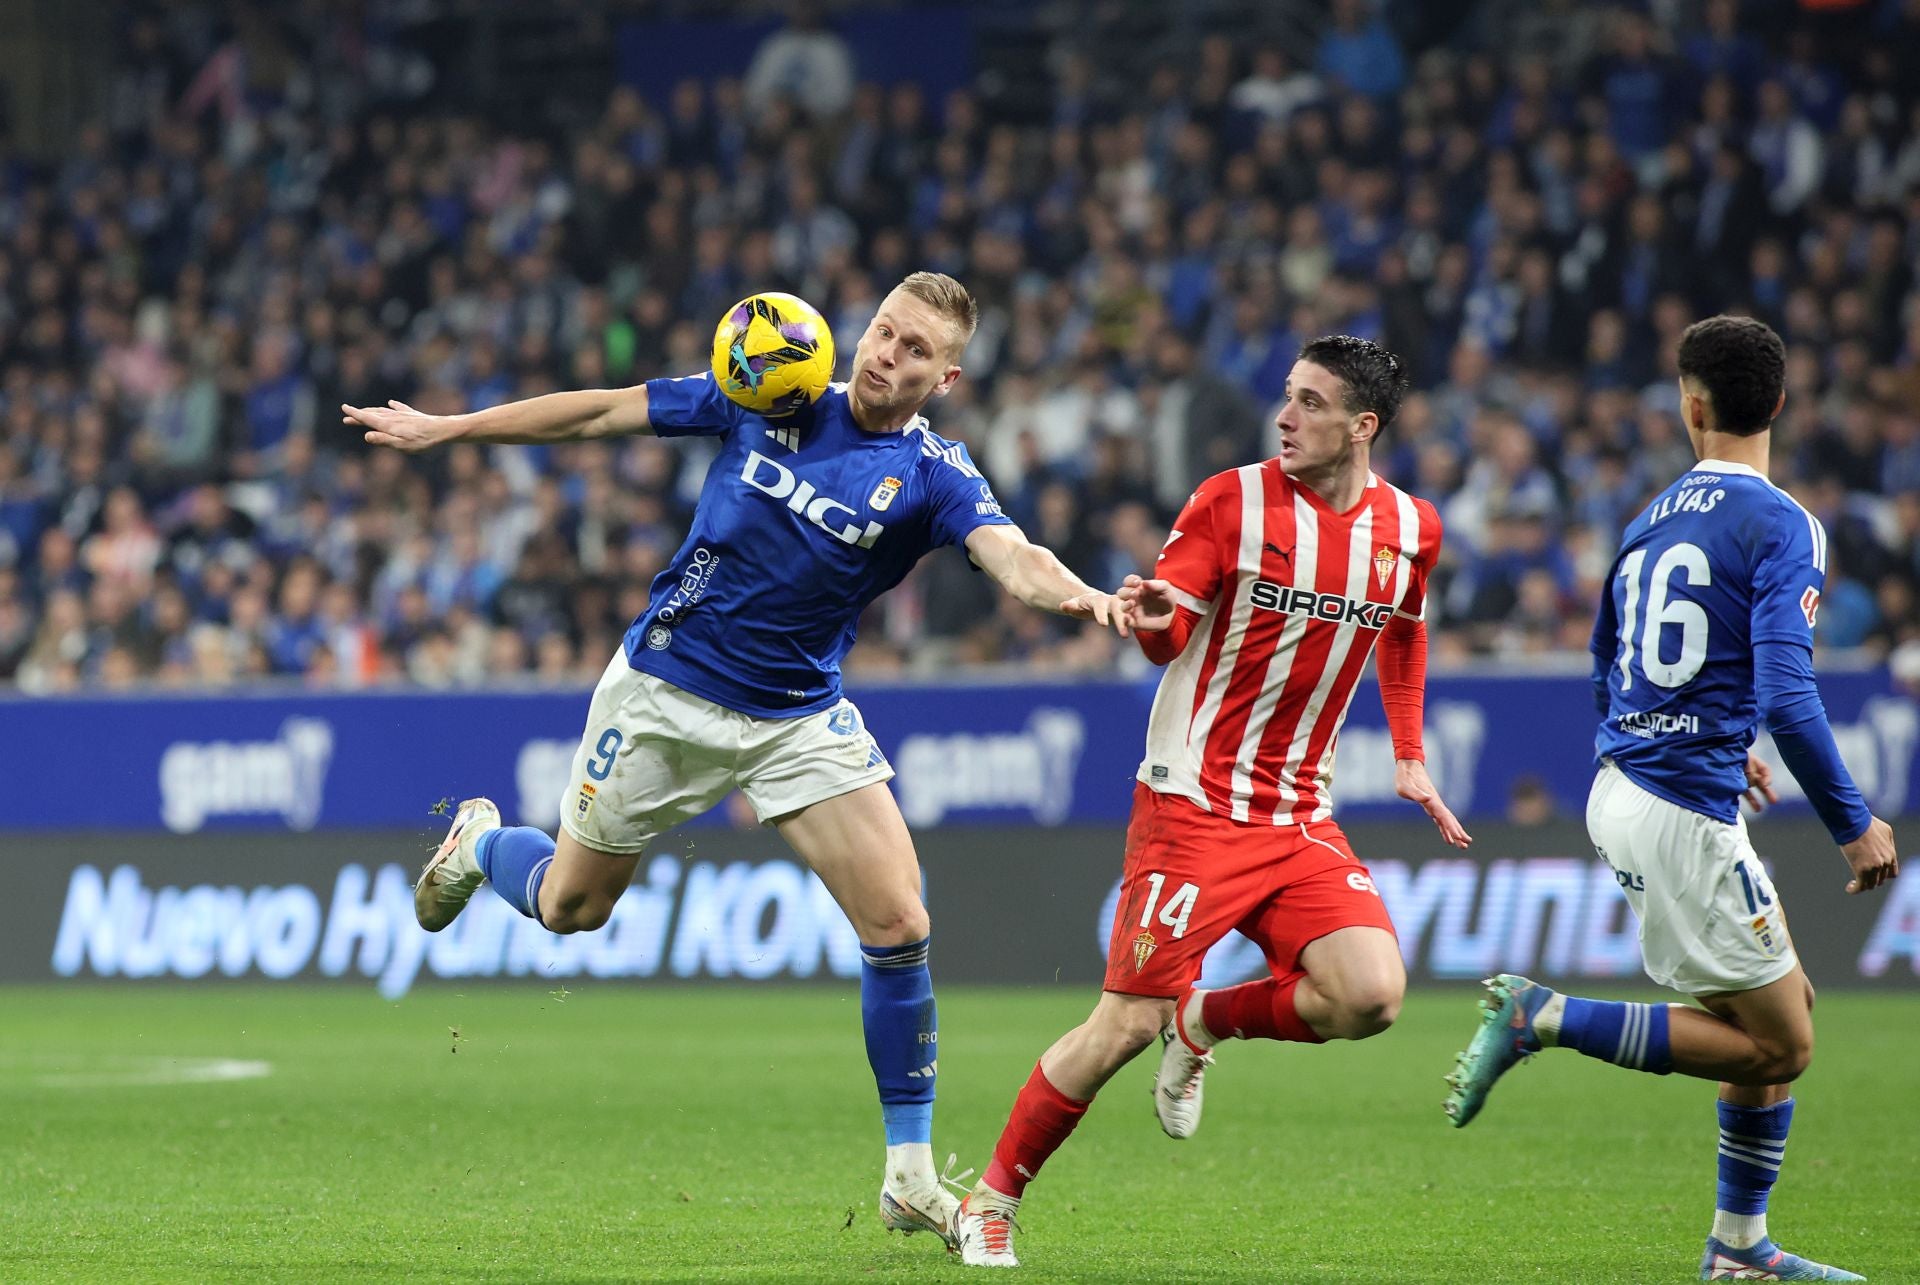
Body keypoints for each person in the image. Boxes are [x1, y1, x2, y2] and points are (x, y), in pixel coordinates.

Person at [341, 272, 1129, 1251]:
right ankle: (481, 843)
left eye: (916, 349)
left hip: (798, 715)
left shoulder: (934, 473)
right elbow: (601, 413)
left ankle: (910, 1175)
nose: (889, 354)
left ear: (947, 374)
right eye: (885, 331)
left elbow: (1012, 552)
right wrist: (454, 429)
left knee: (899, 920)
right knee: (572, 909)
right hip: (664, 695)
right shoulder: (773, 388)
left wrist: (1085, 598)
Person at [951, 336, 1474, 1268]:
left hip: (1300, 813)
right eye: (1287, 396)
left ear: (1363, 427)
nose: (1286, 416)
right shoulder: (1230, 501)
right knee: (1121, 1026)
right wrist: (1151, 621)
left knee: (1371, 995)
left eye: (1312, 403)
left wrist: (1408, 755)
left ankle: (1207, 1021)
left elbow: (1405, 627)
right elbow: (1171, 629)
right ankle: (989, 1201)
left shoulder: (1412, 526)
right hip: (1193, 804)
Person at [1443, 316, 1899, 1283]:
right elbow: (1787, 689)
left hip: (1638, 785)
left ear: (1691, 406)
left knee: (1774, 1023)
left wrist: (1700, 737)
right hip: (1680, 809)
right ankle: (1544, 1015)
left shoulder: (1650, 516)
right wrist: (1852, 822)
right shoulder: (1782, 521)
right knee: (1787, 1041)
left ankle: (1740, 1248)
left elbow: (1607, 662)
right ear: (1777, 403)